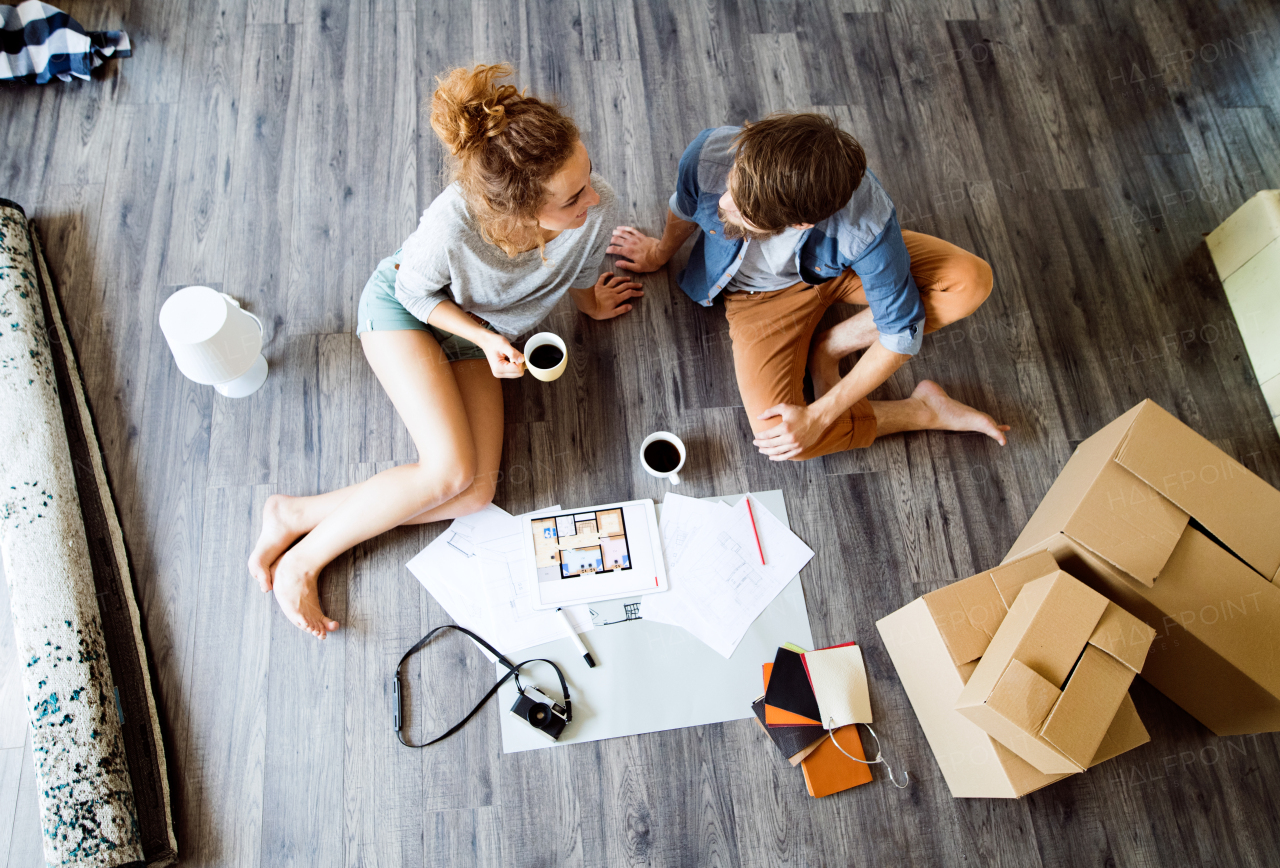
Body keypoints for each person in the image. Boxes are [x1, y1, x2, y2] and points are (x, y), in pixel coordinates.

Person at [248, 64, 642, 639]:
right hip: (406, 311)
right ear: (520, 213)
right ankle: (305, 561)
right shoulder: (449, 224)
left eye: (586, 175)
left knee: (475, 493)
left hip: (476, 332)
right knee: (449, 471)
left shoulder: (593, 208)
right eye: (573, 196)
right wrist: (486, 339)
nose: (594, 197)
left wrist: (589, 303)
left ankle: (297, 514)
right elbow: (411, 289)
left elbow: (577, 272)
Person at [608, 113, 1009, 461]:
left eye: (745, 212)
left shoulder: (867, 224)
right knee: (779, 440)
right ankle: (923, 410)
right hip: (759, 299)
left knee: (972, 282)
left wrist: (821, 415)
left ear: (801, 223)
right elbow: (684, 205)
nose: (724, 204)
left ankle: (828, 349)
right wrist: (659, 253)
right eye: (733, 184)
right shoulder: (711, 152)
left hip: (835, 269)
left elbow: (900, 333)